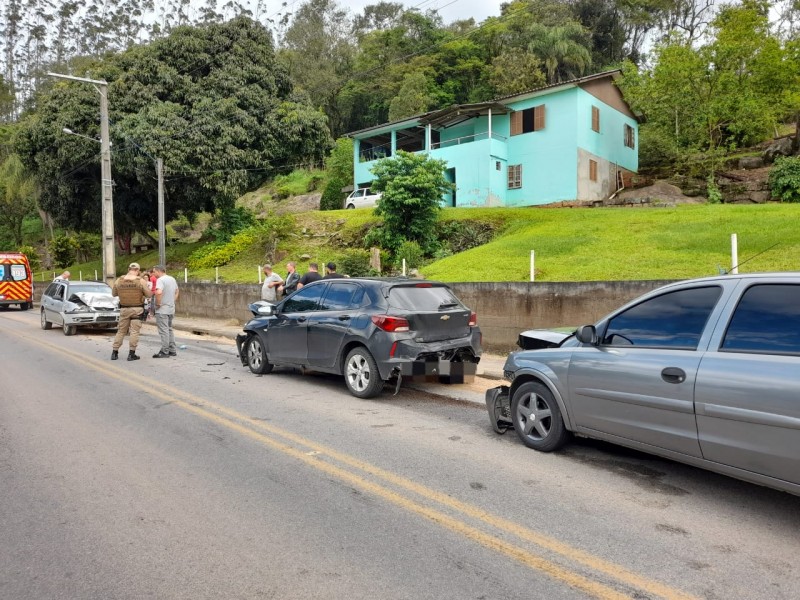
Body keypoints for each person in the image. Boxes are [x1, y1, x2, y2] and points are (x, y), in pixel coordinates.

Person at [110, 262, 153, 361]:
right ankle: (131, 354)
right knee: (134, 331)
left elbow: (114, 294)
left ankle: (114, 353)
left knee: (121, 331)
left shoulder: (119, 280)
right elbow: (149, 295)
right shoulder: (140, 281)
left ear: (128, 269)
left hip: (124, 309)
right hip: (137, 309)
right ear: (137, 270)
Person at [151, 265, 180, 358]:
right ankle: (172, 350)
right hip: (171, 309)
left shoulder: (160, 280)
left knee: (164, 331)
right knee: (169, 329)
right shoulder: (172, 279)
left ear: (159, 271)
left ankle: (165, 351)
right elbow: (177, 291)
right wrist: (172, 301)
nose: (153, 274)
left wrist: (158, 303)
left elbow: (158, 292)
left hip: (162, 310)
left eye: (154, 272)